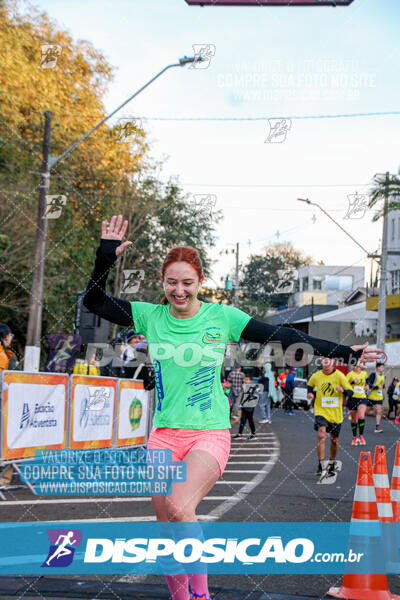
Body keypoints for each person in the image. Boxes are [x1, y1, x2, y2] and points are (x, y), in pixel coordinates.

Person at [82, 214, 380, 600]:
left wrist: (342, 352)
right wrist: (105, 256)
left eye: (187, 282)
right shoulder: (149, 315)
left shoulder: (220, 317)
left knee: (179, 505)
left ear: (199, 282)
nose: (179, 290)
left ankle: (202, 596)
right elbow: (93, 301)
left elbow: (282, 335)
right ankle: (180, 597)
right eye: (171, 282)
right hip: (162, 435)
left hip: (208, 433)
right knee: (164, 525)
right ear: (163, 283)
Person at [307, 358, 354, 477]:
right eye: (323, 360)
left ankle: (332, 463)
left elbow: (351, 392)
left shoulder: (339, 376)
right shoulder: (316, 376)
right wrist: (311, 393)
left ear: (332, 362)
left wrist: (343, 390)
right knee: (321, 435)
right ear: (321, 362)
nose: (326, 362)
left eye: (328, 360)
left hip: (335, 414)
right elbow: (310, 385)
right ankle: (321, 464)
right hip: (321, 411)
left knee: (334, 440)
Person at [346, 364, 369, 445]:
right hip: (352, 398)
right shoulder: (349, 374)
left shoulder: (364, 373)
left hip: (362, 398)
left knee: (361, 416)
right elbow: (345, 385)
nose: (358, 367)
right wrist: (352, 382)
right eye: (356, 365)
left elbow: (367, 380)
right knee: (354, 420)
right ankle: (354, 437)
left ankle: (361, 436)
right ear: (353, 366)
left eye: (359, 365)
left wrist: (367, 385)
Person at [367, 362, 385, 433]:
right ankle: (358, 421)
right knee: (365, 411)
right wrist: (377, 387)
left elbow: (381, 385)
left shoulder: (383, 376)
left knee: (380, 411)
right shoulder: (373, 374)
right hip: (371, 397)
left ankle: (377, 427)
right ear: (378, 367)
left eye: (383, 367)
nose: (383, 368)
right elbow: (368, 385)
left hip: (379, 397)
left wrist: (383, 386)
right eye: (382, 367)